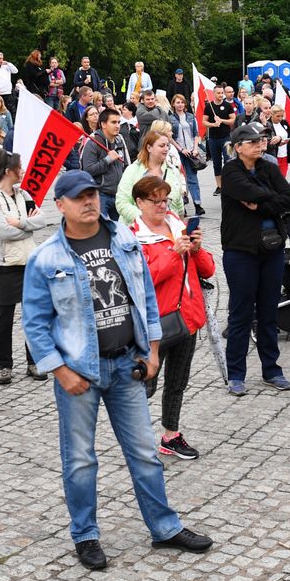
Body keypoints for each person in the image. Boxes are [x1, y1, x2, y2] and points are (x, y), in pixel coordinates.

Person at [22, 169, 213, 569]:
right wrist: (60, 372)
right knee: (80, 460)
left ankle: (164, 527)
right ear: (61, 205)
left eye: (92, 193)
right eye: (79, 197)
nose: (89, 201)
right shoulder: (46, 258)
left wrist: (153, 350)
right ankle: (85, 535)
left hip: (127, 365)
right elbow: (36, 324)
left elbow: (144, 297)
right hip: (79, 374)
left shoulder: (122, 238)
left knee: (145, 453)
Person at [130, 175, 214, 459]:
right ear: (139, 203)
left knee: (178, 382)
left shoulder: (177, 225)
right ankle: (138, 442)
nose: (162, 205)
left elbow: (208, 270)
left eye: (165, 199)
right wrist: (172, 254)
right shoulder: (133, 237)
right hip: (154, 325)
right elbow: (141, 281)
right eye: (155, 200)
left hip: (186, 318)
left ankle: (171, 436)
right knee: (145, 386)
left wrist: (197, 248)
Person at [220, 123, 290, 396]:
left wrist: (263, 204)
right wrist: (269, 196)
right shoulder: (230, 171)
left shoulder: (269, 167)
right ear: (238, 147)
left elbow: (289, 199)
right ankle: (236, 374)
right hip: (240, 251)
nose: (260, 145)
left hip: (272, 249)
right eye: (253, 142)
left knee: (268, 313)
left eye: (261, 140)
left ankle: (271, 370)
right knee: (240, 315)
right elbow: (246, 192)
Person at [0, 149, 49, 385]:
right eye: (19, 167)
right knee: (6, 316)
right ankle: (4, 366)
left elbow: (42, 219)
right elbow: (3, 231)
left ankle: (34, 361)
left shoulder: (24, 194)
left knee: (32, 316)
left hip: (29, 262)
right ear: (8, 171)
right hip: (5, 264)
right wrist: (28, 227)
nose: (22, 170)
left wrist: (21, 223)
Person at [116, 130, 185, 224]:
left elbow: (178, 204)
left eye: (167, 145)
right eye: (161, 146)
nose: (166, 149)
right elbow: (122, 202)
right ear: (149, 148)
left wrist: (180, 226)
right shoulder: (132, 170)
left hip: (167, 229)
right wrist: (143, 220)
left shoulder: (173, 171)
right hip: (137, 231)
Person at [79, 108, 132, 221]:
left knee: (121, 231)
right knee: (99, 231)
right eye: (113, 122)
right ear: (103, 124)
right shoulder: (93, 142)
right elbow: (87, 170)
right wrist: (107, 160)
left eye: (119, 122)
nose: (117, 126)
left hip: (119, 194)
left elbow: (127, 166)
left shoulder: (119, 139)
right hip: (99, 195)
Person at [169, 94, 204, 215]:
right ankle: (181, 205)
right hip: (177, 152)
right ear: (173, 104)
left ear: (185, 104)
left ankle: (197, 204)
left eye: (182, 102)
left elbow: (196, 134)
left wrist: (195, 148)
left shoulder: (190, 117)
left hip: (190, 152)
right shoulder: (170, 118)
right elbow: (170, 137)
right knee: (179, 179)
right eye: (177, 102)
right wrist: (180, 149)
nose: (180, 104)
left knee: (192, 178)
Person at [203, 84, 236, 195]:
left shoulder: (227, 106)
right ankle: (219, 186)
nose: (221, 95)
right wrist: (213, 124)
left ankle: (229, 184)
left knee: (229, 161)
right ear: (214, 93)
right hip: (213, 139)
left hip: (226, 138)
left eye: (222, 93)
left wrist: (222, 120)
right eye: (219, 93)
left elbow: (233, 120)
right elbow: (204, 122)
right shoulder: (209, 106)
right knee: (216, 164)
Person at [263, 103, 290, 177]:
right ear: (271, 114)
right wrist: (278, 141)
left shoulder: (284, 123)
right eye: (278, 116)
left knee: (282, 180)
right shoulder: (267, 124)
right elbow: (265, 142)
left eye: (282, 116)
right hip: (273, 156)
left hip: (284, 157)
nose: (280, 118)